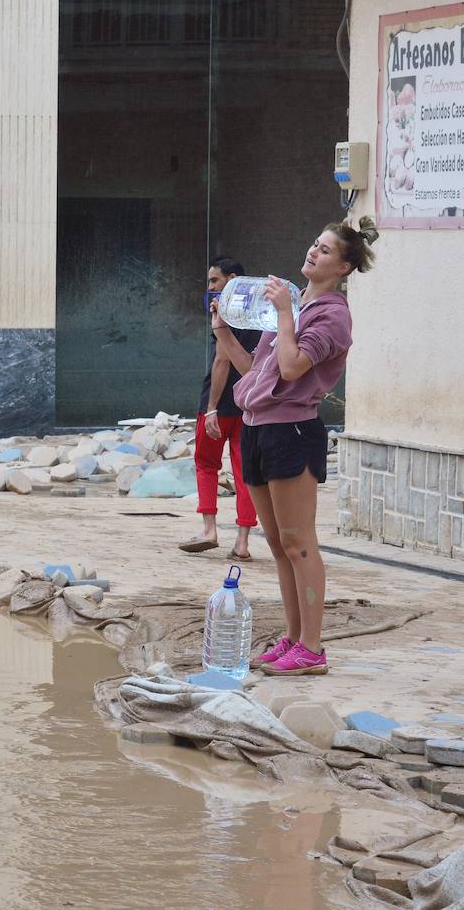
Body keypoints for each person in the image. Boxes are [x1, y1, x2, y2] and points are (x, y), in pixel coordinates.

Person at [213, 217, 378, 677]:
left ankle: (312, 648)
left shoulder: (332, 316)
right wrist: (224, 333)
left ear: (343, 267)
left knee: (299, 542)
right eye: (314, 244)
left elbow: (290, 369)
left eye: (325, 250)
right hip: (258, 428)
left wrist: (286, 313)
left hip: (293, 432)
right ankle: (291, 639)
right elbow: (258, 372)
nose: (313, 252)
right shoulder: (297, 303)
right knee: (278, 543)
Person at [180, 256, 261, 560]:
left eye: (214, 280)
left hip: (221, 404)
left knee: (206, 463)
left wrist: (212, 406)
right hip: (250, 405)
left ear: (232, 278)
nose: (211, 287)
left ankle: (209, 530)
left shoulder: (224, 312)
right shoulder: (261, 312)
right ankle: (242, 542)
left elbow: (221, 360)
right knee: (244, 472)